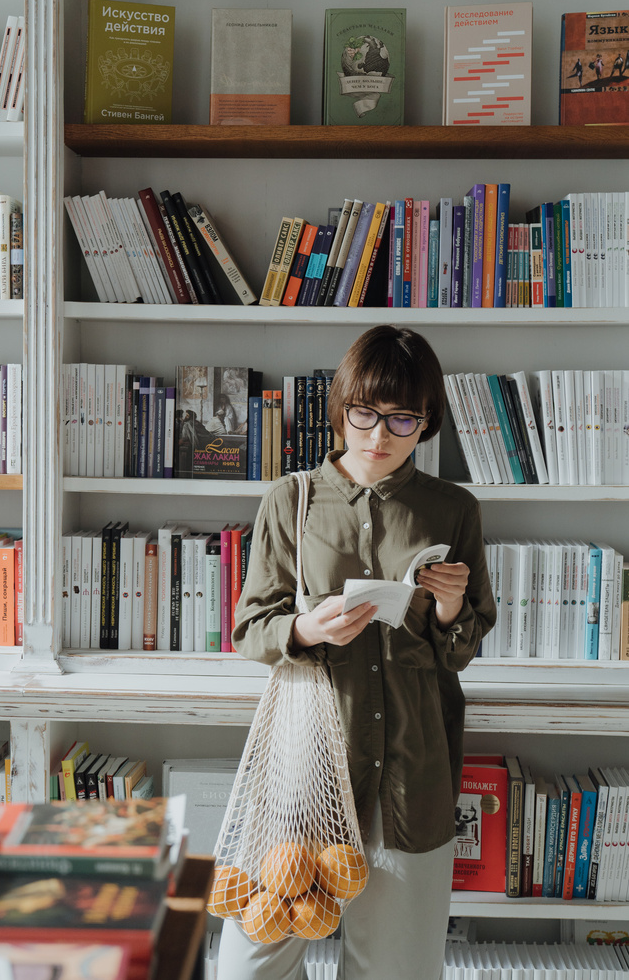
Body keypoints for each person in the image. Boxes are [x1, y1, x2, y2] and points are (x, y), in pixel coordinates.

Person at [218, 325, 496, 980]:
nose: (379, 437)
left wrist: (453, 608)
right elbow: (250, 628)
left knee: (394, 970)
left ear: (426, 422)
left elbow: (463, 647)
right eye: (365, 414)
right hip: (304, 772)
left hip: (411, 773)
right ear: (341, 407)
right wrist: (308, 630)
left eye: (403, 420)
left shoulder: (453, 510)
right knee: (250, 962)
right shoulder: (293, 500)